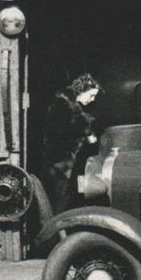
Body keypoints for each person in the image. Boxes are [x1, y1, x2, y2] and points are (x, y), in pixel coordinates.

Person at [40, 73, 101, 212]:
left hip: (66, 162)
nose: (93, 99)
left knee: (66, 197)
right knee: (60, 199)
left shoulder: (72, 105)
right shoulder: (62, 106)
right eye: (91, 95)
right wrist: (86, 134)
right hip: (59, 163)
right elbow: (59, 135)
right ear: (82, 90)